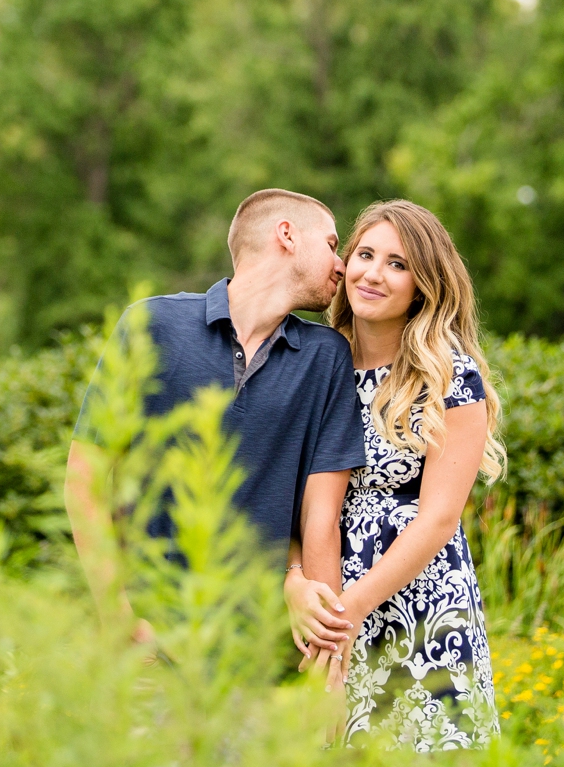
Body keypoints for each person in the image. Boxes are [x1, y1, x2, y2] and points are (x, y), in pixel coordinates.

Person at [65, 188, 364, 650]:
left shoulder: (327, 358)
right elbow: (85, 478)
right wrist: (116, 616)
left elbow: (319, 517)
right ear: (286, 235)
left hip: (257, 656)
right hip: (145, 638)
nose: (342, 264)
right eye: (330, 244)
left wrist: (328, 664)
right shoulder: (151, 325)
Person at [298, 199, 504, 750]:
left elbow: (438, 519)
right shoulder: (316, 363)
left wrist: (352, 612)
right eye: (365, 254)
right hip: (324, 592)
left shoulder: (448, 375)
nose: (372, 273)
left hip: (419, 604)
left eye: (397, 263)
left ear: (424, 285)